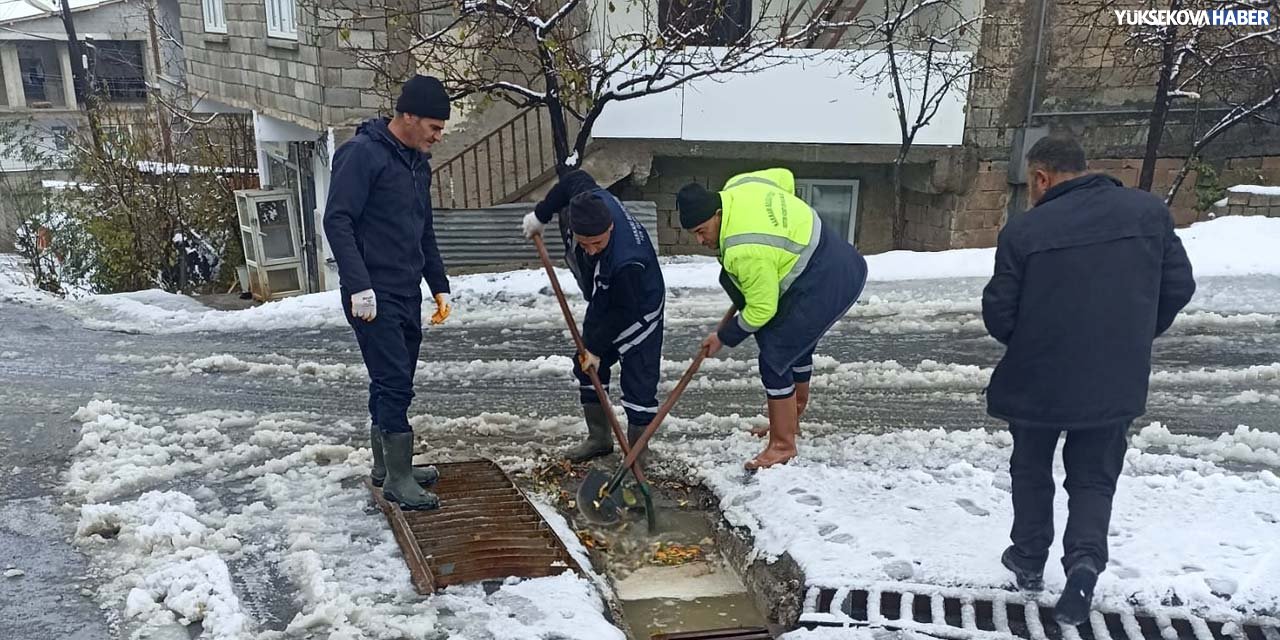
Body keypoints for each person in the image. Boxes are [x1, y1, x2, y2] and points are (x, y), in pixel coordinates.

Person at [982, 135, 1196, 624]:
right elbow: (1179, 285)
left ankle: (1029, 558)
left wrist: (1033, 337)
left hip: (1038, 377)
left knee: (1031, 468)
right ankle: (1083, 563)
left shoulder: (1025, 231)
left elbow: (999, 312)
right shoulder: (1148, 214)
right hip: (1113, 377)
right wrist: (1134, 335)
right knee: (1094, 478)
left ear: (1041, 178)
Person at [676, 168, 867, 470]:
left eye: (702, 230)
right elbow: (784, 177)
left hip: (828, 280)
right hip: (837, 255)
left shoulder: (745, 249)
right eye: (694, 234)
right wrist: (782, 224)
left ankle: (782, 444)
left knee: (776, 355)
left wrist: (724, 337)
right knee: (795, 345)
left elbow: (762, 310)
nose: (700, 240)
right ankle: (791, 420)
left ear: (717, 212)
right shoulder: (738, 184)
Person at [323, 75, 454, 511]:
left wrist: (439, 285)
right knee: (395, 381)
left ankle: (388, 467)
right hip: (371, 294)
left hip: (405, 289)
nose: (438, 137)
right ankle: (397, 478)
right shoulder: (362, 155)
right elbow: (337, 220)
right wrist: (359, 286)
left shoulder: (417, 162)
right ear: (409, 116)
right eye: (434, 127)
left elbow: (424, 229)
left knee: (392, 380)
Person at [522, 169, 666, 464]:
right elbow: (570, 180)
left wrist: (597, 349)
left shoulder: (628, 260)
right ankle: (599, 438)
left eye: (597, 244)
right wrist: (541, 214)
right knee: (587, 366)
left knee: (638, 376)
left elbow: (618, 311)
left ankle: (639, 453)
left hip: (639, 305)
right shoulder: (587, 199)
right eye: (584, 243)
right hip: (603, 298)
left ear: (610, 228)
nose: (590, 250)